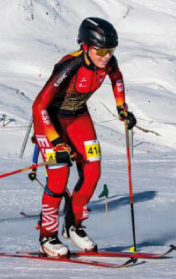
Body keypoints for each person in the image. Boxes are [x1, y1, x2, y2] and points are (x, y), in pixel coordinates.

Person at [32, 16, 137, 257]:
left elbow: (117, 79)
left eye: (110, 50)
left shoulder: (108, 63)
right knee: (59, 177)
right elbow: (39, 106)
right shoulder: (70, 66)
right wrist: (57, 142)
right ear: (86, 47)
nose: (107, 55)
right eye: (101, 50)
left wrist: (122, 108)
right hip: (50, 120)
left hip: (79, 117)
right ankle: (47, 236)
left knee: (92, 171)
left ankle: (74, 225)